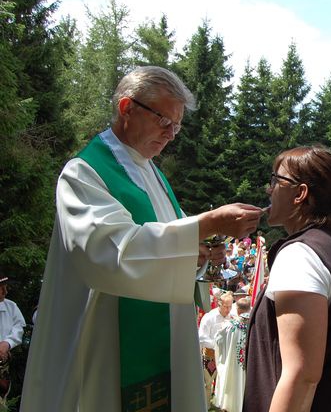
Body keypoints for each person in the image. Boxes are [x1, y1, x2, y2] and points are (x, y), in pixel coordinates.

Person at [21, 66, 263, 412]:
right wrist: (205, 224)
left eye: (177, 125)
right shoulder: (84, 173)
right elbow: (110, 252)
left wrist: (202, 250)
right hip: (105, 344)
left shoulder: (152, 173)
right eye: (164, 121)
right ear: (126, 108)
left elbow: (171, 241)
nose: (172, 134)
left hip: (161, 338)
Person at [243, 146, 331, 411]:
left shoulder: (299, 256)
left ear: (300, 193)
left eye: (276, 181)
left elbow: (302, 376)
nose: (269, 189)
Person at [213, 297, 251, 412]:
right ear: (249, 309)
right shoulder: (256, 325)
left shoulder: (229, 326)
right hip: (250, 365)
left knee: (233, 384)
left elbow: (218, 340)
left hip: (233, 365)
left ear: (238, 310)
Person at [198, 292, 234, 403]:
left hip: (225, 355)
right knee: (207, 383)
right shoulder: (209, 317)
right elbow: (202, 338)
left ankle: (220, 404)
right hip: (210, 355)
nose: (228, 310)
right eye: (226, 307)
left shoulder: (232, 317)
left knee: (223, 382)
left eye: (230, 306)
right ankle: (205, 406)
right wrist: (217, 345)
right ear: (219, 304)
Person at [0, 272, 26, 399]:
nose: (5, 292)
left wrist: (8, 342)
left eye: (6, 287)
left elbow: (19, 326)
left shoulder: (10, 306)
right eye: (1, 288)